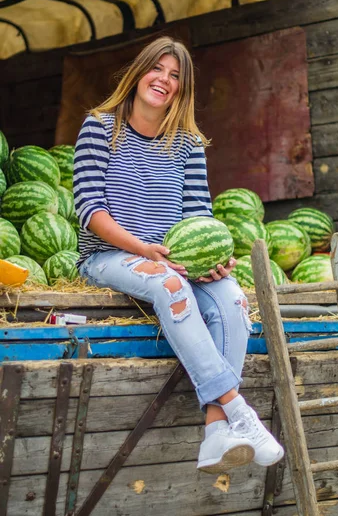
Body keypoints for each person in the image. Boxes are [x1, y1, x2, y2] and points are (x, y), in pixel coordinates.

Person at [73, 36, 284, 474]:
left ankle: (215, 433)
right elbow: (89, 210)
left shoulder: (187, 143)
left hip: (173, 256)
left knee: (233, 300)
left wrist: (216, 262)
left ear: (182, 90)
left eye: (175, 77)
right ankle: (239, 411)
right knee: (169, 285)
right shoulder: (99, 126)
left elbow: (199, 214)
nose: (164, 81)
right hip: (110, 256)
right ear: (139, 72)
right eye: (158, 70)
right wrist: (144, 249)